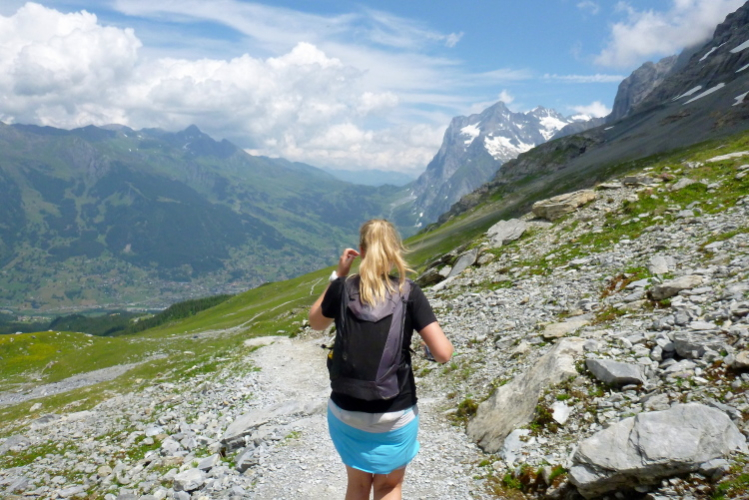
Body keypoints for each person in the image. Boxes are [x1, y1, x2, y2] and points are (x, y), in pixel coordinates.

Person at [309, 219, 453, 500]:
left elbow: (316, 322)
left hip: (346, 409)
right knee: (389, 487)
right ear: (395, 250)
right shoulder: (409, 292)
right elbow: (443, 354)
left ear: (362, 251)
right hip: (395, 411)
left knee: (358, 485)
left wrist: (339, 274)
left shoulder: (342, 288)